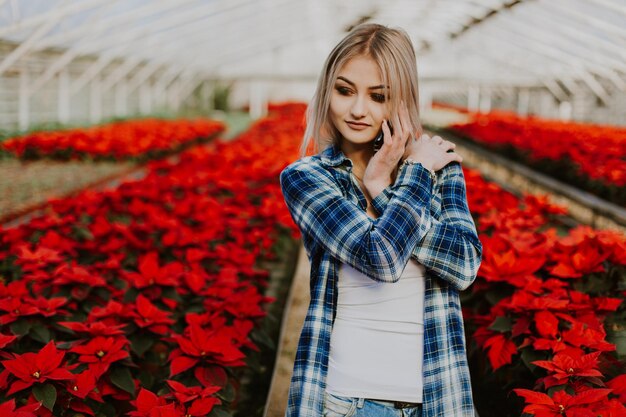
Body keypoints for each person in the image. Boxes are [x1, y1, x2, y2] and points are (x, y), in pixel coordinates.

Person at [279, 23, 482, 417]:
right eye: (344, 90)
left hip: (437, 399)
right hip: (344, 402)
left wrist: (382, 187)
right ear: (327, 91)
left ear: (401, 100)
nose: (357, 109)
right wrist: (412, 179)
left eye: (378, 96)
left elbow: (465, 265)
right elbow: (382, 259)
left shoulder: (442, 168)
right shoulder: (308, 178)